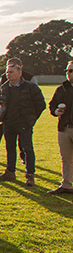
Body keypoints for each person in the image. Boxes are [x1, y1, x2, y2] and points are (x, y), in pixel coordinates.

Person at [0, 62, 45, 186]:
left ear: (20, 73)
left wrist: (31, 119)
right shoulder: (4, 87)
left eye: (11, 72)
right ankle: (10, 172)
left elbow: (40, 104)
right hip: (8, 123)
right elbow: (2, 104)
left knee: (27, 149)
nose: (8, 74)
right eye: (7, 72)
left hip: (24, 124)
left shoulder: (30, 87)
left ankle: (30, 175)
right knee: (10, 148)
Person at [0, 57, 36, 154]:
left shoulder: (30, 77)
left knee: (24, 141)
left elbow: (35, 96)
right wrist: (3, 102)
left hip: (22, 115)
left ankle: (23, 158)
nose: (8, 72)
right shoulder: (4, 77)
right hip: (5, 113)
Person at [48, 61, 73, 195]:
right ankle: (66, 185)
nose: (68, 73)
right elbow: (52, 105)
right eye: (67, 71)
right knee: (66, 159)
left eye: (71, 71)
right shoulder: (62, 89)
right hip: (64, 128)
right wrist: (55, 111)